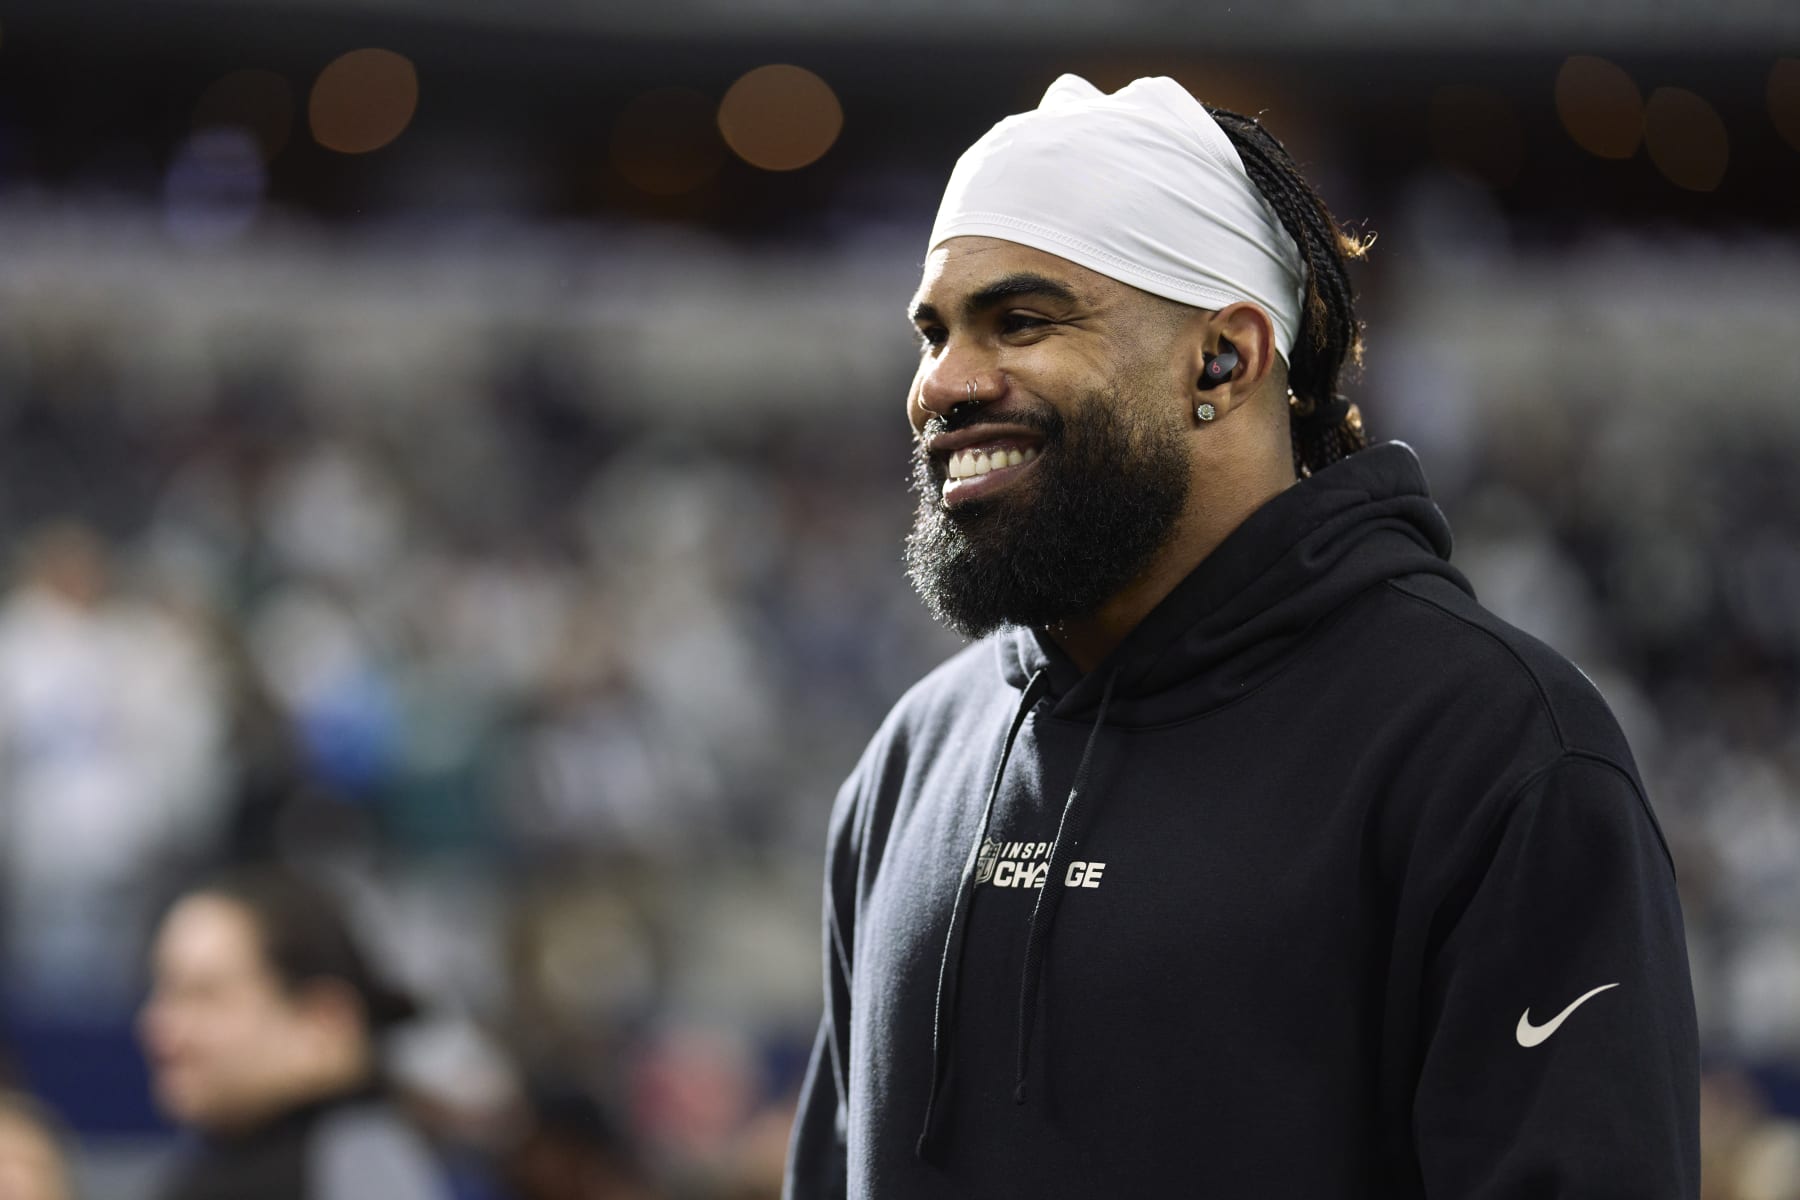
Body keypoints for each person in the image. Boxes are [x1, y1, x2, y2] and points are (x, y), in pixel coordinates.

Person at [784, 75, 1698, 1198]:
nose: (944, 384)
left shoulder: (1492, 751)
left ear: (1224, 358)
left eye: (1020, 321)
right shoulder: (916, 757)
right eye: (936, 332)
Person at [138, 865, 452, 1200]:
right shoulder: (228, 1164)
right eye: (163, 992)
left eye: (206, 996)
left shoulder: (355, 1168)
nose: (160, 1025)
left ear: (325, 1021)